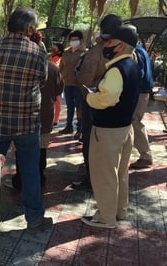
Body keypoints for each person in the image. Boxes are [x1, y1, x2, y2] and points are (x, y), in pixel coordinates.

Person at [0, 7, 52, 233]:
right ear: (29, 28)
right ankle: (34, 217)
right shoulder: (36, 51)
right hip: (26, 124)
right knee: (30, 170)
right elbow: (42, 79)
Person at [81, 26, 140, 228]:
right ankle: (119, 211)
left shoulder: (117, 69)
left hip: (108, 131)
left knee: (104, 174)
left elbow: (107, 98)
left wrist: (90, 97)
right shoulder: (131, 64)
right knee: (121, 173)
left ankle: (106, 217)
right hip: (124, 128)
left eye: (108, 41)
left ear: (120, 45)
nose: (105, 45)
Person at [72, 14, 122, 191]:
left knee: (92, 143)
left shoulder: (96, 52)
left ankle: (92, 180)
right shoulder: (128, 51)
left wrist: (89, 98)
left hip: (95, 106)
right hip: (119, 108)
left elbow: (84, 80)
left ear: (102, 30)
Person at [127, 25, 154, 170]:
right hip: (143, 91)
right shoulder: (141, 49)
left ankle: (145, 156)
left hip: (139, 92)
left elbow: (139, 74)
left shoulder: (136, 51)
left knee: (135, 122)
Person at [59, 30, 86, 140]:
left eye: (76, 39)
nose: (73, 41)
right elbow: (61, 67)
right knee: (69, 106)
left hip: (78, 85)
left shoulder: (84, 53)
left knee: (79, 107)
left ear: (80, 40)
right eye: (72, 39)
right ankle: (68, 126)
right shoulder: (66, 52)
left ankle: (80, 129)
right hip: (67, 83)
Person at [49, 42, 64, 126]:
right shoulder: (49, 58)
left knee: (57, 101)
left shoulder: (60, 60)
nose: (52, 50)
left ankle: (55, 119)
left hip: (57, 83)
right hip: (48, 83)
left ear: (59, 51)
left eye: (54, 49)